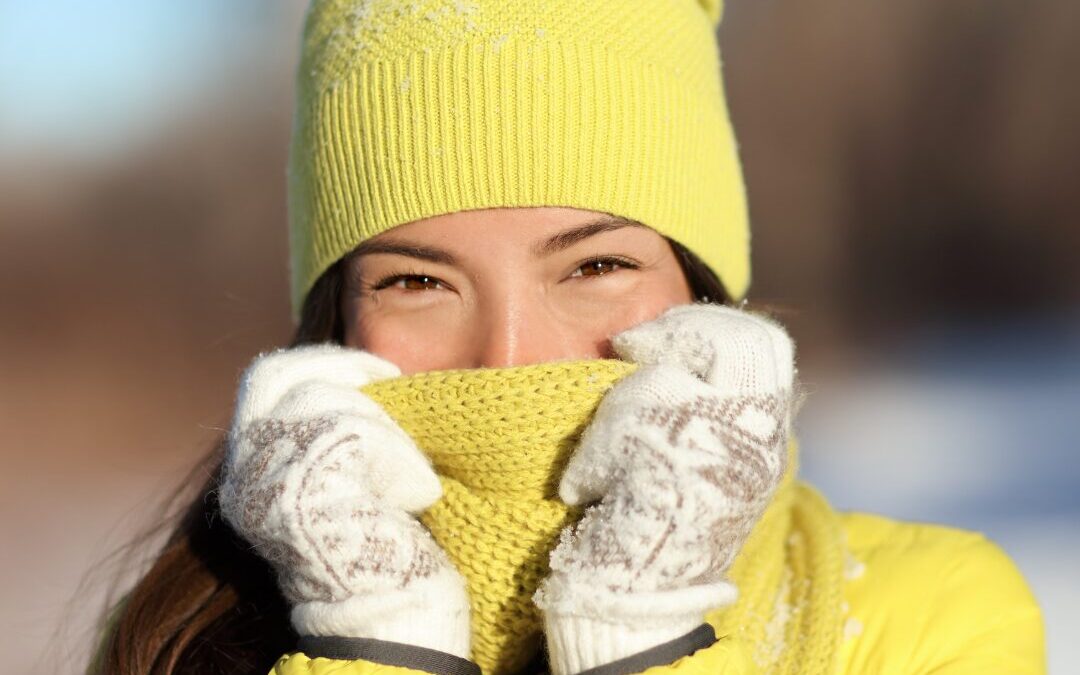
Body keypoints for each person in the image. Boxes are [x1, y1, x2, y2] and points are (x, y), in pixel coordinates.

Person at [88, 1, 1046, 674]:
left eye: (593, 267)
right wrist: (369, 642)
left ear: (701, 289)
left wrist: (641, 631)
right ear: (335, 321)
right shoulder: (182, 635)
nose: (510, 355)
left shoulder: (934, 611)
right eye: (418, 281)